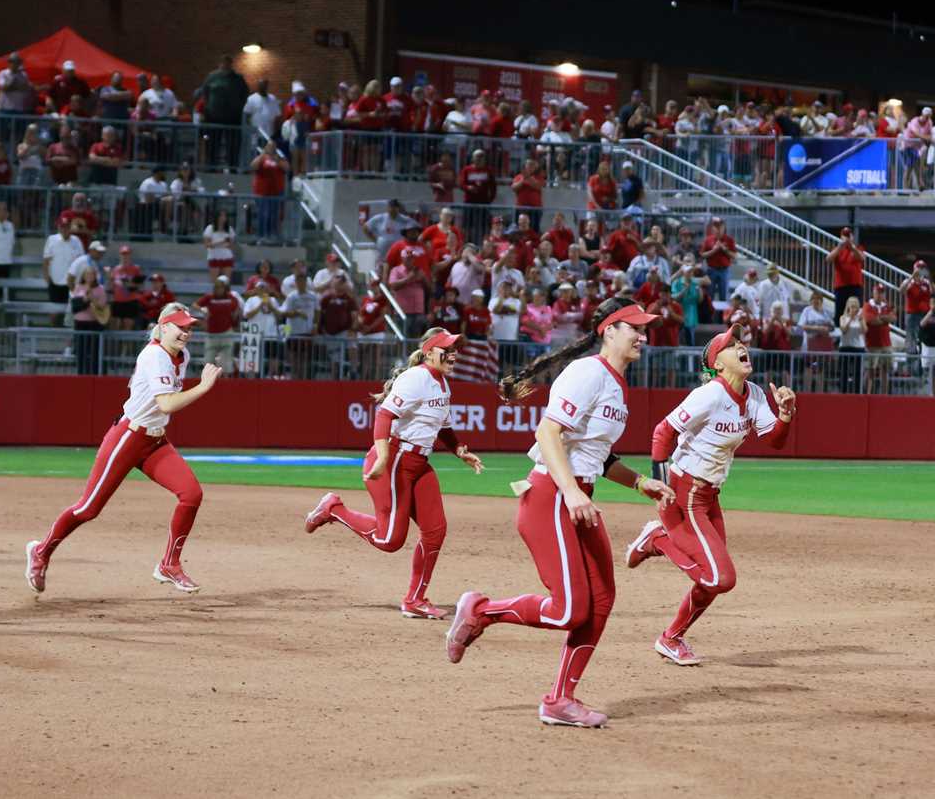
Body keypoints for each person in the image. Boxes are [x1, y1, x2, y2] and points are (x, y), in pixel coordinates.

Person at [444, 298, 674, 728]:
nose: (643, 336)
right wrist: (570, 492)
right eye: (634, 328)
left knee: (602, 599)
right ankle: (480, 610)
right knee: (569, 610)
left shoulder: (616, 386)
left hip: (576, 497)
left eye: (644, 329)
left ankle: (560, 700)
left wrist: (642, 482)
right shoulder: (587, 372)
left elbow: (598, 458)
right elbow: (547, 432)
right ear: (609, 330)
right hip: (551, 496)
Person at [26, 305, 223, 595]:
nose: (186, 332)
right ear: (163, 326)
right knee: (88, 508)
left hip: (154, 441)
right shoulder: (155, 355)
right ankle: (40, 552)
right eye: (181, 326)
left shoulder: (182, 355)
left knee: (191, 494)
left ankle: (170, 563)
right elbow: (166, 404)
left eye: (190, 327)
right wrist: (204, 387)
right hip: (128, 437)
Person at [627, 328, 795, 666]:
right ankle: (658, 539)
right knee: (720, 577)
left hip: (710, 496)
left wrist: (786, 415)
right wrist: (659, 485)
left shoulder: (755, 394)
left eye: (741, 343)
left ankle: (671, 638)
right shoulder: (709, 395)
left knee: (712, 580)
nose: (741, 346)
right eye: (731, 346)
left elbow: (774, 440)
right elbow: (663, 432)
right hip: (684, 493)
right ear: (717, 363)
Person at [304, 329, 483, 618]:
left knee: (435, 530)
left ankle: (414, 600)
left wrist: (460, 451)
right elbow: (384, 416)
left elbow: (444, 429)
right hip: (395, 460)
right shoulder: (416, 378)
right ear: (428, 352)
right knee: (390, 541)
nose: (454, 354)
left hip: (418, 463)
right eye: (447, 348)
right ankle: (333, 509)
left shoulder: (442, 384)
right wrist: (384, 455)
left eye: (456, 348)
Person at [70, 267, 108, 376]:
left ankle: (94, 374)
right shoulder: (78, 287)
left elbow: (103, 306)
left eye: (92, 274)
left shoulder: (100, 289)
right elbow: (75, 305)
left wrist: (93, 299)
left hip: (94, 323)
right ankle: (81, 374)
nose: (90, 277)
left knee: (94, 351)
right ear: (83, 276)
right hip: (80, 323)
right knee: (81, 351)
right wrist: (85, 300)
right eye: (87, 274)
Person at [825, 228, 865, 326]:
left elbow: (862, 257)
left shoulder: (858, 248)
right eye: (845, 236)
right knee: (839, 311)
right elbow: (828, 259)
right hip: (841, 286)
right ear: (841, 237)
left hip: (855, 286)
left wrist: (852, 248)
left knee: (856, 310)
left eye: (848, 236)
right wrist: (840, 248)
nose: (846, 238)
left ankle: (856, 331)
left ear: (852, 237)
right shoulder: (838, 250)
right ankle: (838, 335)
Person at [862, 285, 897, 395]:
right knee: (870, 370)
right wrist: (885, 319)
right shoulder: (868, 305)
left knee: (885, 370)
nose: (880, 295)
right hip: (872, 344)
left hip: (886, 343)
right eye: (878, 292)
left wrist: (881, 318)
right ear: (873, 292)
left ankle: (884, 394)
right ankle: (866, 394)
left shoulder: (886, 306)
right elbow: (871, 320)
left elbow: (893, 318)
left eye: (882, 293)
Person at [699, 218, 736, 301]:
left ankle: (723, 314)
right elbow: (702, 255)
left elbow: (734, 256)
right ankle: (710, 313)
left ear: (724, 227)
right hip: (711, 270)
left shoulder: (729, 240)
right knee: (709, 295)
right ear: (713, 228)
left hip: (724, 271)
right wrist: (714, 250)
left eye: (720, 227)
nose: (718, 229)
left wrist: (724, 249)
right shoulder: (708, 240)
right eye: (716, 227)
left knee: (724, 296)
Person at [202, 210, 236, 280]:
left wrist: (225, 244)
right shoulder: (210, 228)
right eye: (221, 216)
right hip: (214, 256)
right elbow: (207, 245)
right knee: (215, 283)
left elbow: (232, 245)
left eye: (225, 216)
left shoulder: (229, 229)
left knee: (226, 282)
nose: (223, 218)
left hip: (227, 257)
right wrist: (222, 242)